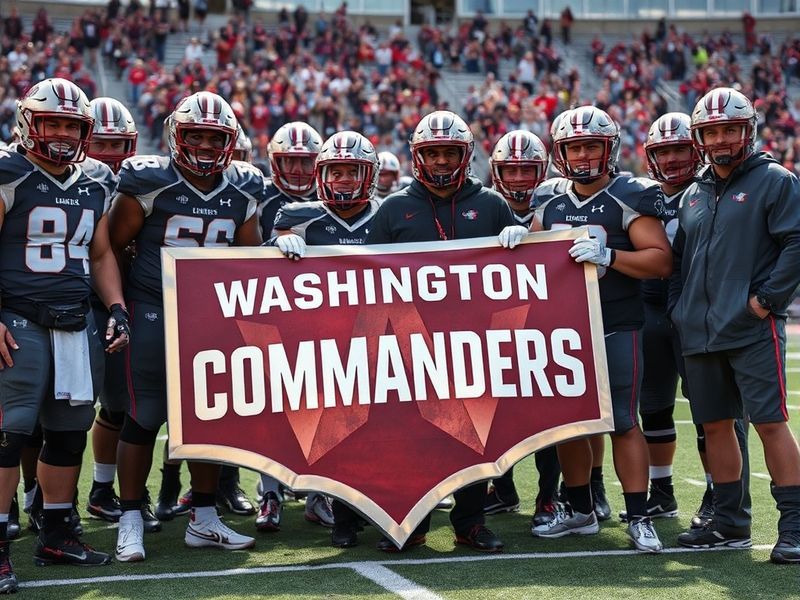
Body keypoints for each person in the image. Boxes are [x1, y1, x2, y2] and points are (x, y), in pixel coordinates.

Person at [501, 106, 671, 553]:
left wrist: (610, 256)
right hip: (566, 329)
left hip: (616, 321)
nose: (582, 154)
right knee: (571, 426)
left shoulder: (628, 194)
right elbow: (529, 265)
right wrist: (517, 241)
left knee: (622, 422)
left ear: (608, 147)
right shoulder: (549, 201)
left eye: (590, 145)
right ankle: (579, 511)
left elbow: (659, 260)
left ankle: (638, 516)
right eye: (574, 146)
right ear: (561, 151)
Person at [109, 91, 261, 562]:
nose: (203, 144)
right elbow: (111, 247)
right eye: (194, 134)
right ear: (176, 134)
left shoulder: (244, 187)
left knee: (207, 416)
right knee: (145, 413)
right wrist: (118, 307)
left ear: (230, 141)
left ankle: (205, 518)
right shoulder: (149, 181)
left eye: (214, 137)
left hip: (211, 314)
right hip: (152, 305)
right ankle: (130, 518)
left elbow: (251, 261)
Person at [0, 78, 131, 591]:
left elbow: (98, 253)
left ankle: (57, 530)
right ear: (28, 123)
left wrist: (116, 306)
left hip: (75, 319)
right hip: (18, 314)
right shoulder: (9, 171)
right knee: (9, 433)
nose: (60, 133)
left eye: (70, 125)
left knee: (68, 430)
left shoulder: (96, 177)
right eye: (51, 122)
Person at [366, 110, 513, 553]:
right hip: (411, 344)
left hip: (475, 342)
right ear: (418, 155)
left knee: (473, 437)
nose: (443, 161)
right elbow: (362, 279)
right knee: (415, 440)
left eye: (451, 152)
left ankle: (469, 522)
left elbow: (527, 274)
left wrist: (519, 241)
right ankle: (413, 522)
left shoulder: (491, 204)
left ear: (465, 155)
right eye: (434, 152)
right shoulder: (394, 208)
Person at [670, 87, 800, 564]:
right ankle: (729, 524)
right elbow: (680, 261)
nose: (721, 139)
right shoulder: (693, 194)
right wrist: (678, 309)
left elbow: (796, 243)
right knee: (715, 426)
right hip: (699, 332)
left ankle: (795, 527)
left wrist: (765, 302)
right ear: (700, 137)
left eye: (730, 129)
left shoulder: (776, 180)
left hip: (749, 327)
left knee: (769, 424)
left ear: (748, 131)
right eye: (711, 131)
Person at [271, 130, 381, 547]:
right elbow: (254, 274)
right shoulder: (297, 216)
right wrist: (279, 243)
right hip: (324, 345)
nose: (343, 180)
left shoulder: (388, 215)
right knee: (341, 434)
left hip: (378, 341)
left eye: (352, 171)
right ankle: (345, 517)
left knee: (382, 433)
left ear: (368, 174)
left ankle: (378, 507)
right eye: (335, 171)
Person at [83, 96, 165, 532]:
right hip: (72, 300)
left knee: (119, 403)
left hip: (122, 302)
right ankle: (40, 499)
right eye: (101, 143)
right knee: (53, 410)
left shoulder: (140, 184)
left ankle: (102, 489)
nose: (111, 154)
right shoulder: (73, 179)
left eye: (119, 144)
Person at [250, 121, 333, 533]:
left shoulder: (332, 197)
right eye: (291, 162)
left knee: (328, 405)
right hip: (270, 316)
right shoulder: (257, 195)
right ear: (273, 161)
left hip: (321, 318)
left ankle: (321, 494)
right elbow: (234, 255)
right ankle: (270, 492)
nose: (299, 171)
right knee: (273, 406)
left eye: (307, 162)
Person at [483, 130, 563, 527]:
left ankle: (549, 498)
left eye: (525, 170)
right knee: (495, 416)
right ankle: (503, 488)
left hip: (545, 328)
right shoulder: (484, 205)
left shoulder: (558, 199)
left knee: (547, 420)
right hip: (495, 329)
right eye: (509, 170)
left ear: (542, 171)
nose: (517, 178)